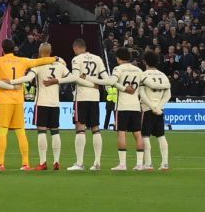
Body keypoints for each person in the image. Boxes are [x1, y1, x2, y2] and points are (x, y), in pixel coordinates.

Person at [0, 44, 59, 171]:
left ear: (3, 50)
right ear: (14, 49)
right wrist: (54, 59)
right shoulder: (23, 61)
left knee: (2, 131)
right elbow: (40, 61)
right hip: (18, 100)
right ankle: (25, 163)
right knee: (21, 131)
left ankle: (0, 164)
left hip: (4, 100)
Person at [63, 39, 111, 171]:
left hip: (82, 97)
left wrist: (88, 82)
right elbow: (106, 79)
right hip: (95, 97)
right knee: (96, 129)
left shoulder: (76, 59)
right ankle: (97, 163)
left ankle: (79, 163)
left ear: (76, 48)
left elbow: (76, 77)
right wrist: (96, 84)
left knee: (80, 128)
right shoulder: (98, 59)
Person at [25, 43, 69, 170]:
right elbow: (71, 76)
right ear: (50, 52)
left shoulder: (38, 64)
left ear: (40, 51)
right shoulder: (59, 65)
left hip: (42, 103)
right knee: (55, 131)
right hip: (55, 103)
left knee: (42, 131)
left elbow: (28, 78)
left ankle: (43, 162)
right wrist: (57, 80)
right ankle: (56, 161)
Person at [106, 49, 147, 171]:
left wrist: (124, 89)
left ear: (118, 58)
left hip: (122, 106)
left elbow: (112, 82)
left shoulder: (118, 69)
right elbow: (144, 85)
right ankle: (140, 164)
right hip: (135, 106)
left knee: (121, 133)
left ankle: (122, 164)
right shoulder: (138, 70)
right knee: (138, 134)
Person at [137, 53, 173, 172]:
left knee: (145, 136)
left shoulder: (143, 75)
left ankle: (148, 163)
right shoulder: (163, 76)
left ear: (145, 62)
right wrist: (159, 107)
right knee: (161, 136)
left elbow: (141, 93)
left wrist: (152, 106)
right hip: (159, 110)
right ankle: (165, 163)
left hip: (147, 109)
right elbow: (168, 95)